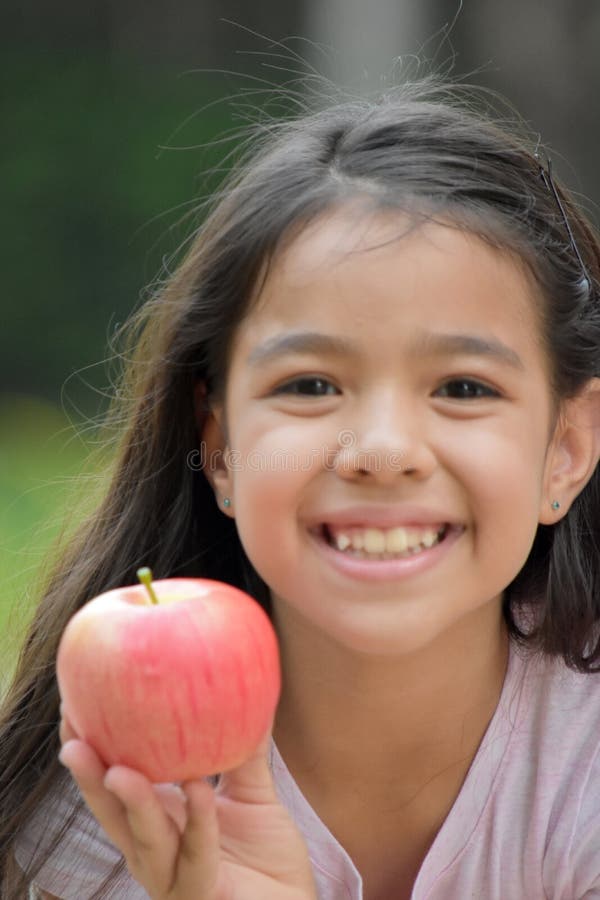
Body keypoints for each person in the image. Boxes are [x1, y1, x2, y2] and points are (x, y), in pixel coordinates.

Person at [1, 75, 600, 900]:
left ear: (566, 449)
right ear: (219, 448)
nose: (382, 452)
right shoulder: (117, 799)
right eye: (311, 385)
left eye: (463, 387)